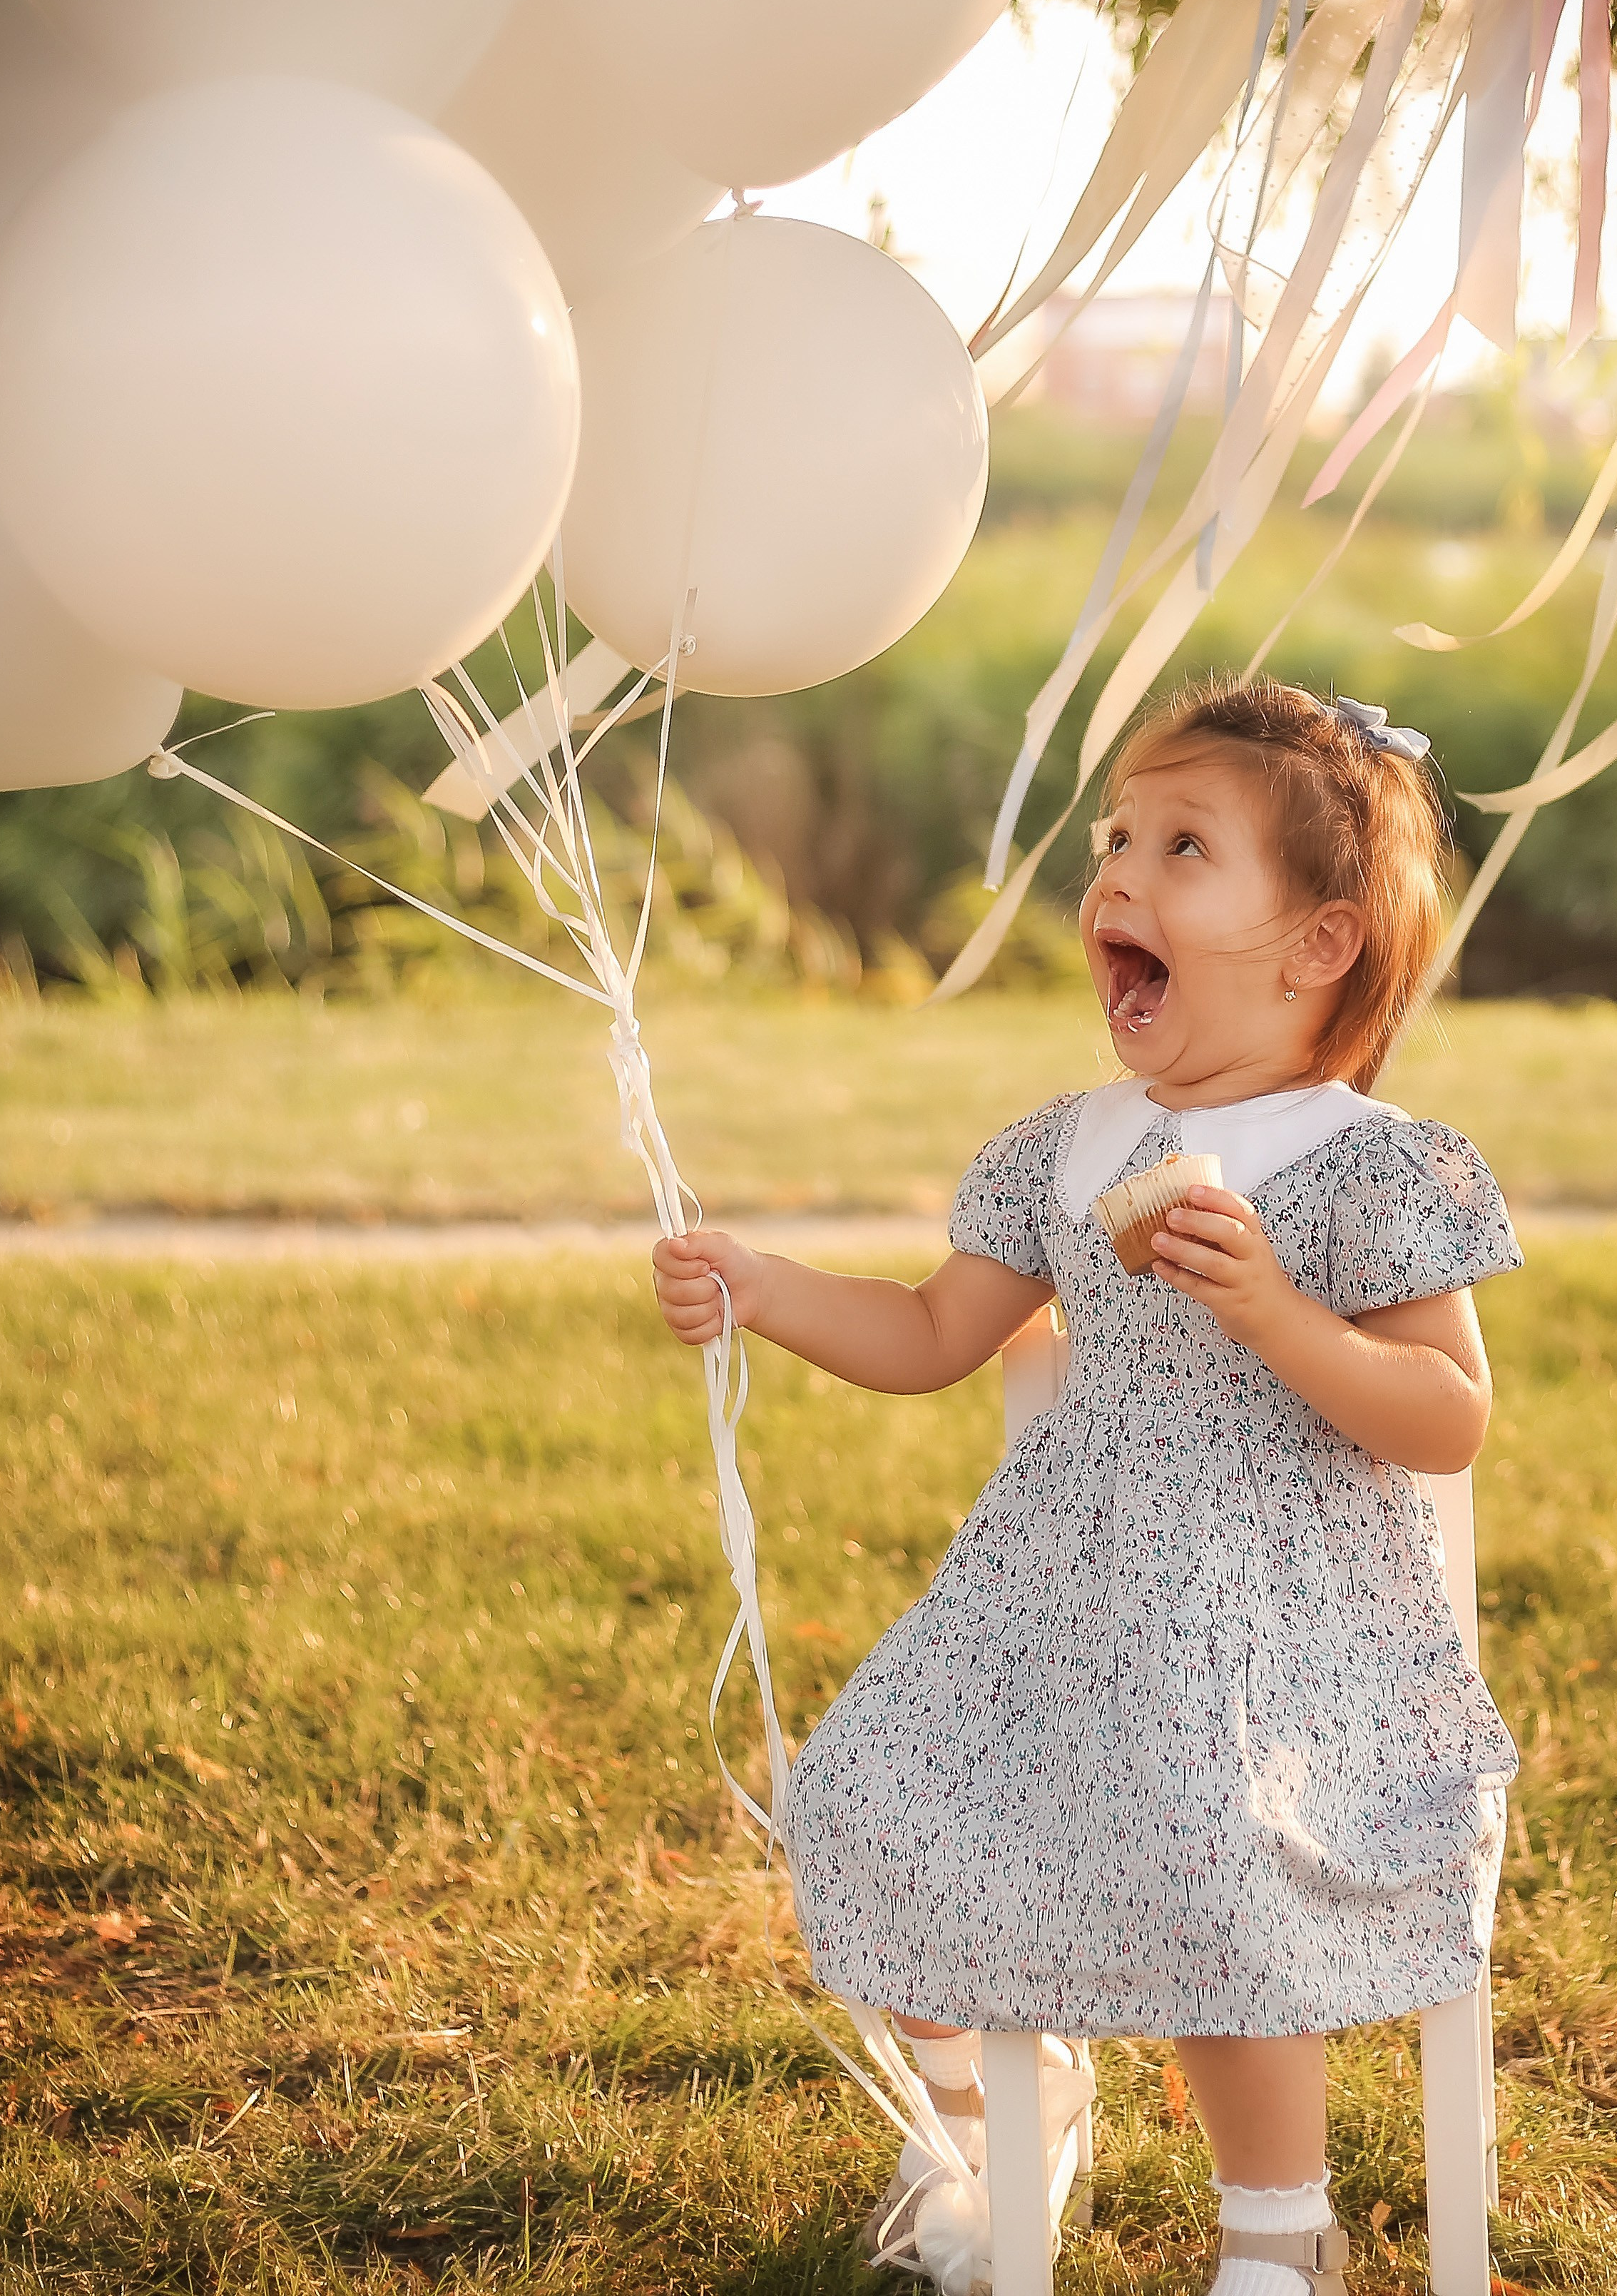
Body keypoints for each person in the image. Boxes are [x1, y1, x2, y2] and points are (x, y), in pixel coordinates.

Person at [652, 678, 1521, 2296]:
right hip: (1059, 1602)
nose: (1116, 873)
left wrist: (1275, 1309)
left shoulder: (1369, 1160)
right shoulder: (1065, 1149)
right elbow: (930, 1333)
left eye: (1181, 846)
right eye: (1114, 837)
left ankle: (1279, 2229)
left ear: (1316, 944)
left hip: (1289, 1626)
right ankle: (1008, 2108)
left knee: (1203, 1839)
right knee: (866, 1796)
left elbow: (1447, 1415)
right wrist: (767, 1284)